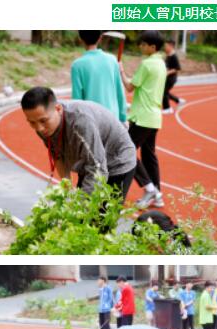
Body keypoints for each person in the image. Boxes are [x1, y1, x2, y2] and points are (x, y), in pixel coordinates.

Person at [21, 86, 136, 201]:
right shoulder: (43, 126)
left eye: (43, 121)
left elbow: (97, 168)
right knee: (80, 209)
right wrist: (67, 189)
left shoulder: (80, 123)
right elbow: (58, 155)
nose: (39, 128)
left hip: (118, 161)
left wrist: (81, 205)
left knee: (101, 215)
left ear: (58, 109)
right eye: (32, 122)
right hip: (90, 160)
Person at [119, 30, 167, 210]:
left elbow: (130, 87)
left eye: (143, 44)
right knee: (149, 156)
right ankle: (158, 194)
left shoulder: (147, 64)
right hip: (154, 117)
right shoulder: (161, 64)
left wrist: (121, 71)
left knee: (127, 151)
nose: (140, 46)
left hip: (142, 117)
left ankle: (150, 189)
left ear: (152, 47)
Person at [71, 31, 127, 123]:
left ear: (80, 39)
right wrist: (123, 118)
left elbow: (77, 100)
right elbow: (119, 92)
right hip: (113, 119)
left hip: (91, 120)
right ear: (100, 38)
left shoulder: (77, 65)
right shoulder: (112, 60)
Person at [162, 38, 185, 114]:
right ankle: (178, 100)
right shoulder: (168, 55)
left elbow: (177, 68)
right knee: (164, 92)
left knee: (163, 92)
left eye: (166, 46)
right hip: (167, 77)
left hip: (171, 78)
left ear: (171, 46)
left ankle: (167, 108)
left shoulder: (174, 56)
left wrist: (167, 73)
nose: (165, 47)